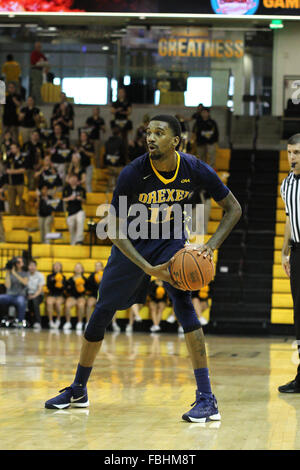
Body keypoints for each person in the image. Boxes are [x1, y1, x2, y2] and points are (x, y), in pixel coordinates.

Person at [45, 114, 242, 424]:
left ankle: (207, 398)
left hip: (171, 240)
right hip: (133, 244)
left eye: (159, 133)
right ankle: (79, 388)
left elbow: (234, 208)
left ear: (176, 141)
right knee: (103, 310)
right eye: (148, 132)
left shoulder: (194, 168)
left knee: (183, 302)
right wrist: (150, 269)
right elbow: (113, 228)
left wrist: (210, 246)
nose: (150, 137)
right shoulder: (132, 173)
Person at [278, 133, 300, 393]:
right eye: (289, 152)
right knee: (299, 315)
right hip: (297, 251)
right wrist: (285, 252)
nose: (292, 157)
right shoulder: (286, 185)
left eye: (296, 152)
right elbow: (288, 219)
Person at [0, 257, 29, 328]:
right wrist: (8, 273)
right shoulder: (10, 273)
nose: (18, 264)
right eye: (17, 262)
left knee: (22, 302)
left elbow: (25, 283)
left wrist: (14, 273)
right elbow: (7, 286)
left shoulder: (25, 273)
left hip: (20, 295)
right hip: (9, 295)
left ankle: (20, 322)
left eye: (20, 262)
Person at [63, 174, 86, 246]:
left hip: (79, 210)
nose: (73, 179)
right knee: (72, 229)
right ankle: (73, 244)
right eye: (71, 178)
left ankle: (79, 240)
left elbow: (85, 200)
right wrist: (70, 198)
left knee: (80, 220)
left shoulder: (81, 189)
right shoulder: (66, 189)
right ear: (69, 180)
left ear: (77, 180)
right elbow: (63, 199)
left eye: (74, 178)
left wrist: (80, 198)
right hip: (70, 212)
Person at [102, 125, 127, 191]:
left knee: (111, 184)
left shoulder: (107, 142)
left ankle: (112, 200)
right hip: (119, 166)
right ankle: (122, 201)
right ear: (120, 133)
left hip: (110, 165)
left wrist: (106, 163)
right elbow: (124, 153)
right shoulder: (121, 141)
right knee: (121, 185)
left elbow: (105, 153)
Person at [64, 263, 87, 332]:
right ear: (74, 269)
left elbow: (88, 290)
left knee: (81, 305)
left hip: (81, 297)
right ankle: (68, 322)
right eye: (76, 267)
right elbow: (67, 289)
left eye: (79, 267)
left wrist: (83, 288)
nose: (77, 268)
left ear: (82, 269)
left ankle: (80, 322)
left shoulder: (85, 279)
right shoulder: (70, 279)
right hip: (72, 297)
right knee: (67, 304)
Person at [5, 142, 26, 215]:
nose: (12, 150)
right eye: (11, 148)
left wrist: (13, 171)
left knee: (21, 200)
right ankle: (13, 216)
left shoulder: (23, 158)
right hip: (11, 183)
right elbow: (7, 170)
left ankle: (22, 215)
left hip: (20, 183)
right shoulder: (10, 158)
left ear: (18, 148)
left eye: (13, 148)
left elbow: (24, 169)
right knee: (11, 201)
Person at [46, 262, 66, 329]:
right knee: (49, 302)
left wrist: (60, 284)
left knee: (58, 303)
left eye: (58, 266)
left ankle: (58, 320)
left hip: (60, 295)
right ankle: (50, 321)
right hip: (51, 295)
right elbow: (49, 287)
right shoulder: (49, 276)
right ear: (53, 267)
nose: (57, 267)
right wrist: (54, 280)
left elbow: (64, 289)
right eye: (55, 266)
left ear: (61, 268)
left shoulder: (63, 277)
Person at [27, 259, 45, 330]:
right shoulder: (25, 275)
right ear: (28, 267)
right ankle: (24, 321)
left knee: (34, 301)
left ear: (36, 267)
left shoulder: (40, 275)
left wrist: (33, 296)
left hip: (38, 295)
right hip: (28, 294)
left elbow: (40, 289)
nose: (32, 267)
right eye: (30, 265)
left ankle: (38, 322)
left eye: (33, 266)